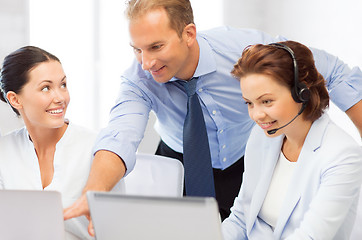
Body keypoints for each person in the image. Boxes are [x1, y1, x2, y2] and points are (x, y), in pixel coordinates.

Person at [64, 0, 362, 233]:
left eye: (156, 47)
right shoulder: (138, 80)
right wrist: (95, 192)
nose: (146, 63)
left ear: (188, 34)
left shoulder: (242, 50)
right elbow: (120, 135)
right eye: (137, 50)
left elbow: (333, 72)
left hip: (248, 154)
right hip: (181, 160)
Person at [221, 41, 362, 239]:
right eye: (249, 103)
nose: (256, 115)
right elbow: (241, 218)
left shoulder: (342, 154)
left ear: (302, 93)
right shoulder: (262, 137)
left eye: (266, 101)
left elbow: (311, 236)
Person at [0, 46, 96, 240]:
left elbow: (114, 229)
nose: (60, 98)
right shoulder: (4, 150)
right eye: (46, 88)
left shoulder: (97, 148)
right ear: (15, 99)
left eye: (63, 85)